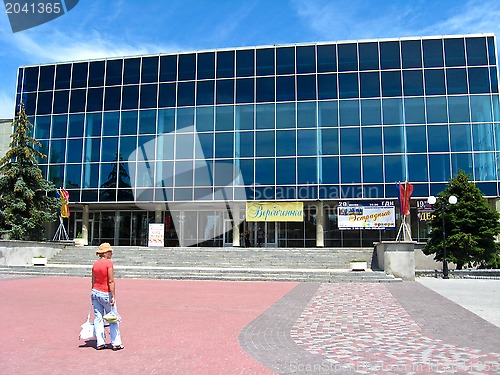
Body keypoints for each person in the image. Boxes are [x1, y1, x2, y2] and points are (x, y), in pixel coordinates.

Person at [91, 242, 124, 351]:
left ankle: (100, 342)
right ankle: (116, 343)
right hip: (106, 293)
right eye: (110, 251)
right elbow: (111, 281)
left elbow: (93, 280)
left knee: (98, 317)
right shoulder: (108, 264)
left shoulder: (95, 264)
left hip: (95, 292)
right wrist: (113, 296)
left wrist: (93, 291)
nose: (111, 253)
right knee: (113, 317)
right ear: (104, 253)